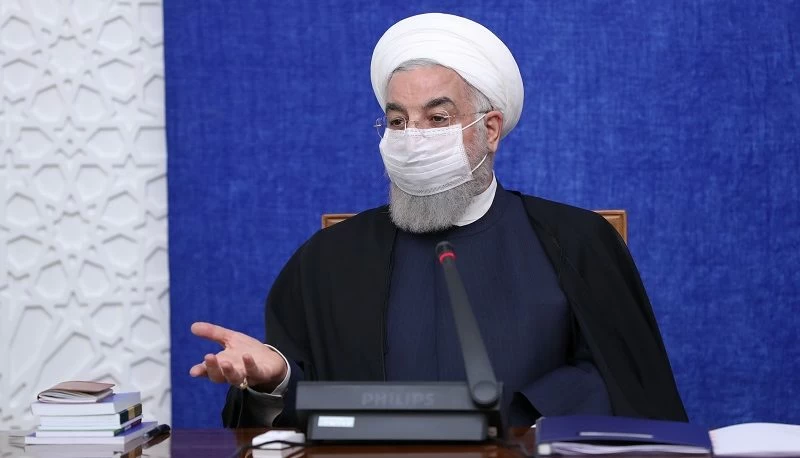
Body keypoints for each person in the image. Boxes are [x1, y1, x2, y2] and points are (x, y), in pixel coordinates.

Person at [189, 12, 688, 428]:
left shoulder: (576, 242)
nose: (413, 138)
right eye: (397, 121)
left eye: (438, 118)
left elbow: (622, 383)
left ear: (490, 130)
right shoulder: (330, 258)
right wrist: (275, 378)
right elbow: (306, 408)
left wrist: (524, 415)